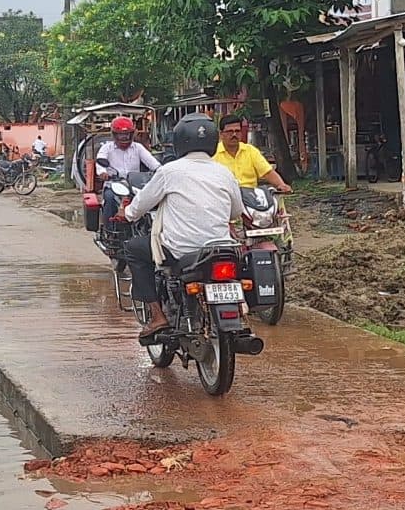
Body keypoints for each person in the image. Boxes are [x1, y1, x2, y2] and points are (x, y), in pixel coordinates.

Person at [117, 114, 246, 346]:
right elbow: (236, 212)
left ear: (179, 141)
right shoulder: (224, 172)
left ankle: (157, 317)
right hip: (220, 249)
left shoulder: (170, 171)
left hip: (181, 250)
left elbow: (140, 206)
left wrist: (126, 214)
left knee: (134, 248)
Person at [210, 114, 292, 193]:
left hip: (251, 198)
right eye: (230, 131)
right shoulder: (212, 153)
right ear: (221, 134)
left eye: (237, 131)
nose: (234, 134)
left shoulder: (250, 151)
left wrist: (281, 185)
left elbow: (267, 172)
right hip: (225, 197)